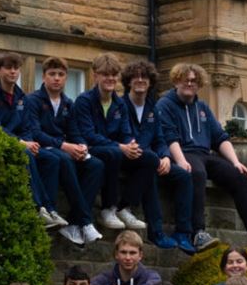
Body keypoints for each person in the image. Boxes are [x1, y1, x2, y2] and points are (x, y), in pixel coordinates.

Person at [158, 63, 247, 250]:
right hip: (181, 152)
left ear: (199, 84)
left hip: (204, 154)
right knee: (197, 172)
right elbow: (169, 136)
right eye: (185, 80)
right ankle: (198, 232)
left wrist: (236, 162)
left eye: (194, 81)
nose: (190, 83)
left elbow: (219, 137)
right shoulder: (165, 104)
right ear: (176, 81)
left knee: (241, 176)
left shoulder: (202, 107)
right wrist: (180, 161)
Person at [0, 53, 65, 230]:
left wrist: (29, 142)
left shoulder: (21, 96)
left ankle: (51, 210)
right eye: (8, 68)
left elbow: (27, 127)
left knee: (52, 159)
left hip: (23, 143)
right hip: (1, 144)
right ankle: (38, 208)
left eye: (16, 68)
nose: (13, 71)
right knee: (26, 154)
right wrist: (21, 143)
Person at [29, 57, 104, 244]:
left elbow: (74, 132)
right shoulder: (33, 100)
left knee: (96, 164)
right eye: (52, 74)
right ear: (43, 77)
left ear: (66, 78)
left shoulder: (68, 103)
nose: (56, 78)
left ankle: (75, 222)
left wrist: (81, 145)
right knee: (64, 158)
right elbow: (35, 132)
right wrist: (63, 145)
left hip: (62, 148)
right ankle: (85, 221)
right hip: (43, 149)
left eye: (61, 74)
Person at [73, 54, 134, 232]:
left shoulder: (120, 104)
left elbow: (126, 133)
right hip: (90, 149)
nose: (110, 79)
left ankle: (124, 207)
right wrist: (120, 146)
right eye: (105, 74)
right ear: (95, 76)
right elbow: (88, 135)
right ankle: (108, 208)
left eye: (114, 75)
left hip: (114, 148)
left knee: (149, 158)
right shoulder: (84, 100)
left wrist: (131, 145)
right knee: (113, 153)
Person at [116, 60, 174, 244]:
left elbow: (160, 139)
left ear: (150, 82)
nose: (140, 80)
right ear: (128, 81)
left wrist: (166, 156)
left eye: (145, 77)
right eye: (136, 77)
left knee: (183, 175)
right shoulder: (120, 105)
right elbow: (117, 134)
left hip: (147, 159)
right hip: (123, 155)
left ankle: (188, 232)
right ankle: (126, 209)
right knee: (150, 162)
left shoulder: (152, 109)